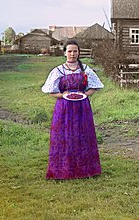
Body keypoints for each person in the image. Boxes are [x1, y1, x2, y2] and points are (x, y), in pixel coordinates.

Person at [42, 40, 104, 179]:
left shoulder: (85, 69)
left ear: (79, 53)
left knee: (83, 135)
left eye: (75, 51)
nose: (72, 54)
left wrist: (84, 95)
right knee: (64, 136)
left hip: (82, 107)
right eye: (69, 51)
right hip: (64, 108)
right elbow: (51, 92)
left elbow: (94, 87)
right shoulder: (58, 71)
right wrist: (63, 95)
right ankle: (63, 170)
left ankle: (85, 170)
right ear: (64, 53)